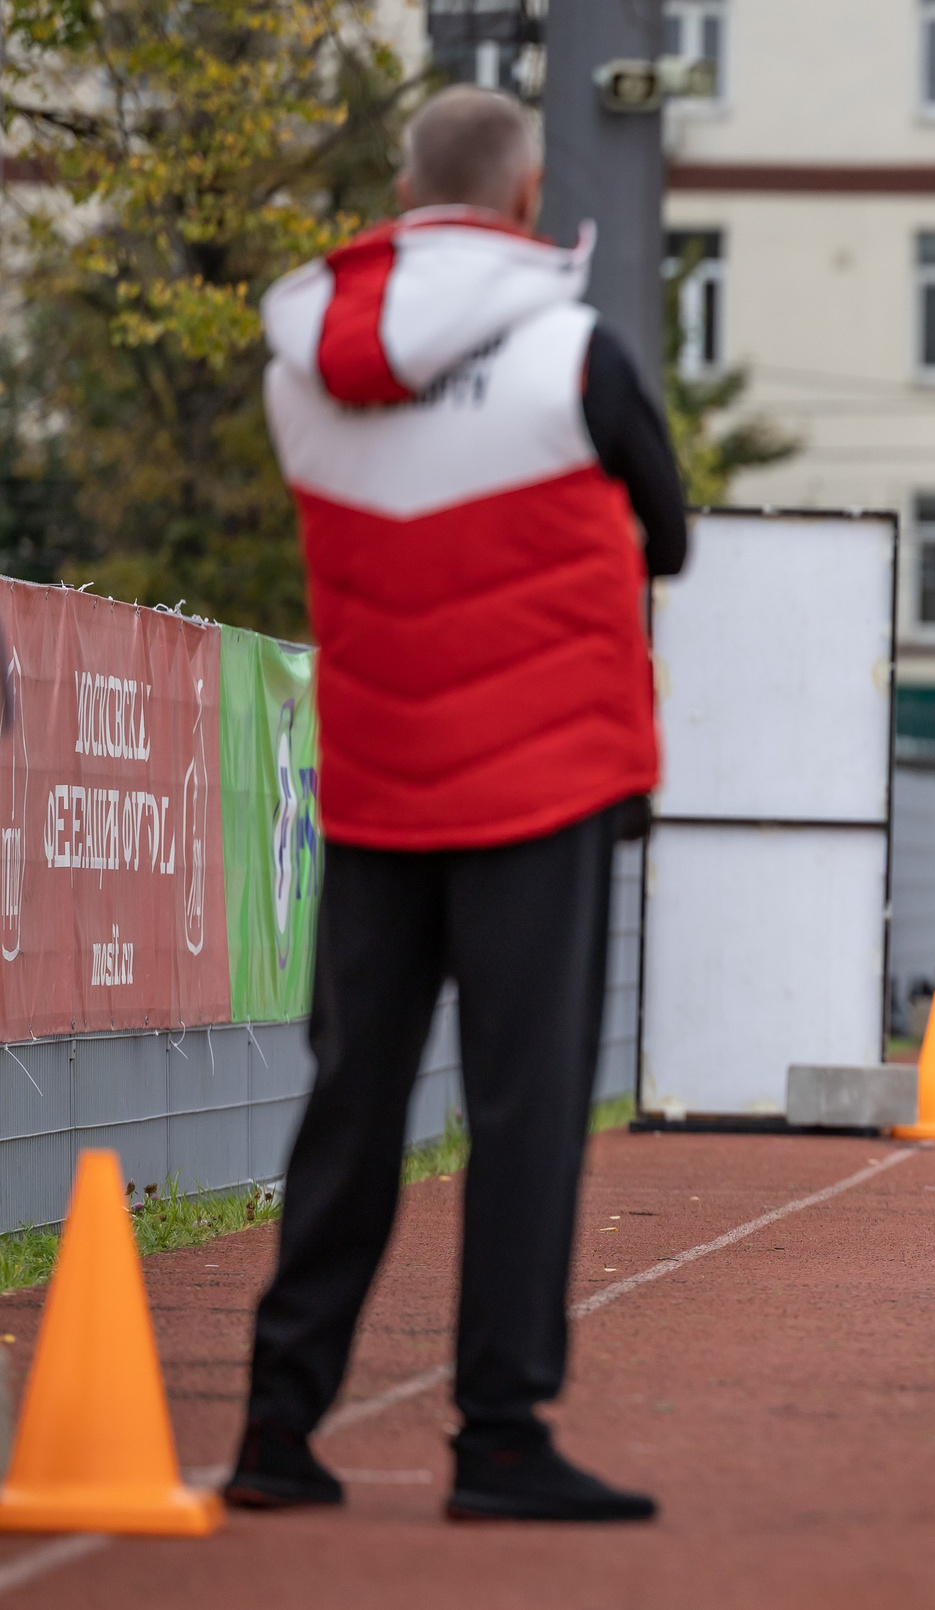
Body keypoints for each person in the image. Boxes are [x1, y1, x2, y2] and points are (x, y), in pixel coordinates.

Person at [228, 86, 680, 1522]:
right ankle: (496, 1434)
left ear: (403, 188)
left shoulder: (300, 363)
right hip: (539, 784)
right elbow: (666, 529)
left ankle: (276, 1431)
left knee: (350, 1107)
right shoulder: (572, 349)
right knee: (524, 1111)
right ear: (529, 193)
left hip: (369, 783)